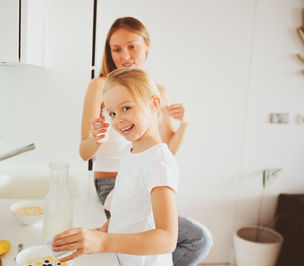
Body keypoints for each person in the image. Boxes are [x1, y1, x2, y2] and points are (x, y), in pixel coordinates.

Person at [79, 17, 212, 265]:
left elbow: (164, 153)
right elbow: (84, 153)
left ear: (147, 45)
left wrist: (185, 124)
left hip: (144, 178)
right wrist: (97, 139)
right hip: (111, 182)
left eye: (132, 46)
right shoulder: (100, 86)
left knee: (198, 238)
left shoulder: (156, 92)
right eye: (116, 49)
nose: (125, 55)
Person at [53, 67, 179, 265]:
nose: (118, 120)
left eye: (126, 108)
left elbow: (167, 240)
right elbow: (129, 213)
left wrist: (105, 242)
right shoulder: (129, 152)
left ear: (154, 104)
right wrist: (101, 232)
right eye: (112, 113)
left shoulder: (158, 162)